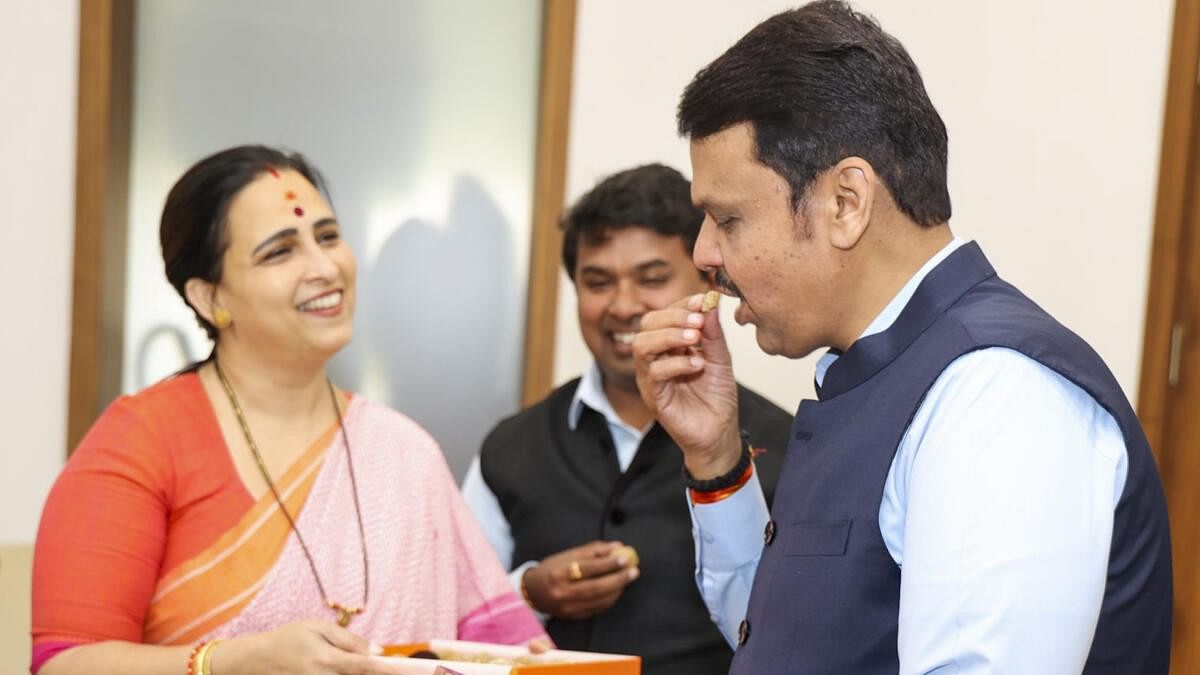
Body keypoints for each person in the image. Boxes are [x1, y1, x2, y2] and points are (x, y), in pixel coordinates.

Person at [632, 3, 1173, 674]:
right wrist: (715, 457)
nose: (705, 252)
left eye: (728, 218)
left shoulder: (997, 394)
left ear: (845, 202)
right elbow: (790, 641)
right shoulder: (873, 373)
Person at [31, 146, 547, 675]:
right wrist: (233, 662)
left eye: (327, 236)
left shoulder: (403, 451)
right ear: (209, 298)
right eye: (279, 252)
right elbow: (66, 664)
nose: (325, 267)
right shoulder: (140, 441)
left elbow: (497, 645)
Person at [461, 164, 793, 675]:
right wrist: (530, 590)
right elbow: (454, 613)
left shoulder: (788, 445)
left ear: (709, 279)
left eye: (652, 278)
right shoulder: (510, 446)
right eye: (598, 282)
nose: (622, 305)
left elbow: (804, 631)